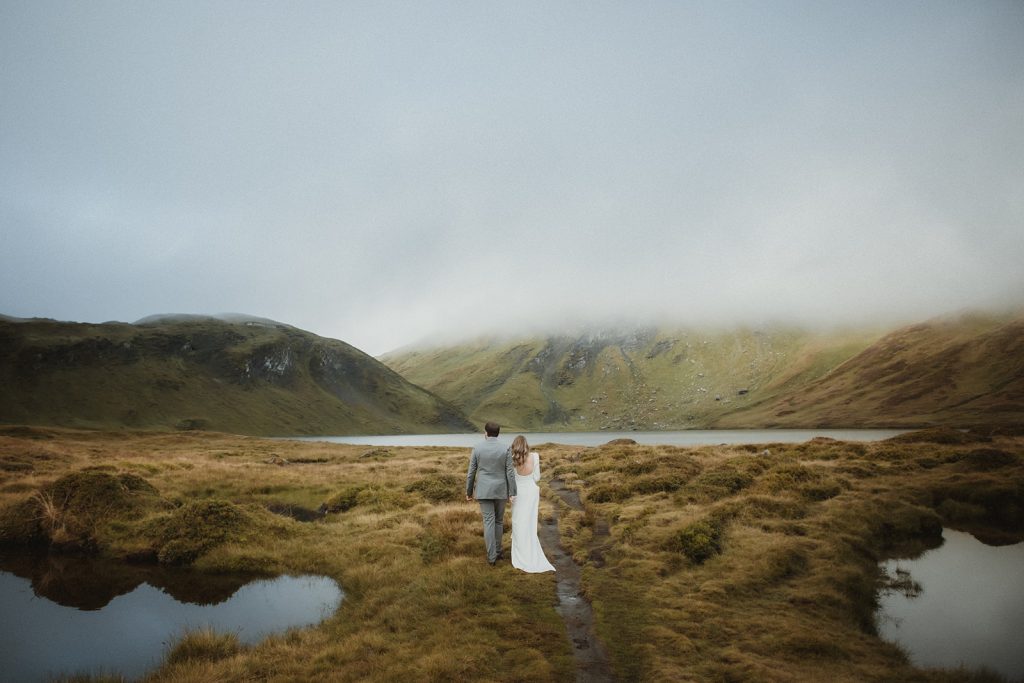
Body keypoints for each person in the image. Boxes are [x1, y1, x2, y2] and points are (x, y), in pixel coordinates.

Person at [465, 421, 517, 565]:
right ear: (498, 433)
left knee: (489, 522)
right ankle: (498, 552)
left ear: (486, 433)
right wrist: (512, 491)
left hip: (483, 490)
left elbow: (471, 473)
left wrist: (469, 492)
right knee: (499, 521)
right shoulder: (505, 448)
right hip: (501, 490)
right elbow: (510, 472)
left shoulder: (477, 447)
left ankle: (491, 557)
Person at [510, 435, 555, 573]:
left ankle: (520, 553)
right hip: (531, 491)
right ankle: (530, 550)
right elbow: (537, 477)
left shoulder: (512, 458)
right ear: (526, 445)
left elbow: (510, 477)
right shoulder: (535, 456)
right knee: (529, 522)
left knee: (518, 522)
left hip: (517, 492)